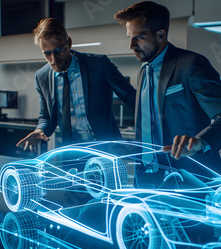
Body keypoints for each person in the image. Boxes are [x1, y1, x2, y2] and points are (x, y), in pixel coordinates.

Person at [114, 1, 221, 175]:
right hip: (148, 176)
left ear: (160, 34)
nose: (132, 46)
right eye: (130, 37)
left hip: (190, 176)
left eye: (139, 37)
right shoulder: (144, 69)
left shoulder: (192, 64)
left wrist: (199, 142)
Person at [17, 18, 136, 152]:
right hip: (74, 154)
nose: (53, 59)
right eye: (47, 53)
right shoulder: (42, 77)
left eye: (59, 50)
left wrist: (155, 121)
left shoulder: (99, 64)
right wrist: (40, 130)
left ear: (69, 43)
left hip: (108, 150)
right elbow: (46, 117)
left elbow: (131, 97)